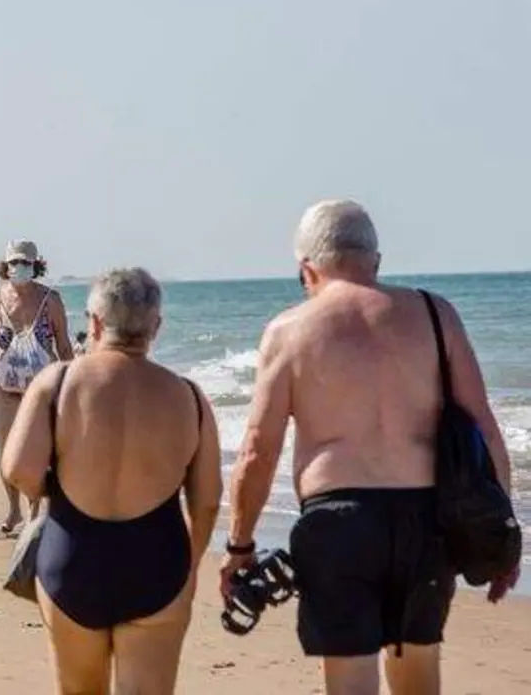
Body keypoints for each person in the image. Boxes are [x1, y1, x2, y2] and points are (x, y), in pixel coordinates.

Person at [222, 200, 518, 695]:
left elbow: (258, 449)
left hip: (337, 524)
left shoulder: (289, 331)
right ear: (375, 261)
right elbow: (485, 430)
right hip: (425, 522)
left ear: (306, 270)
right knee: (418, 673)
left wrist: (240, 545)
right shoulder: (435, 314)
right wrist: (502, 537)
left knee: (351, 682)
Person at [1, 268, 221, 694]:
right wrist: (190, 564)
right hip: (158, 563)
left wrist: (58, 486)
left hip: (73, 558)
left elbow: (18, 468)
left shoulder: (59, 382)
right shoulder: (188, 395)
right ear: (155, 326)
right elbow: (208, 499)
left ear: (95, 322)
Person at [0, 240, 74, 535]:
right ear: (5, 266)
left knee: (37, 446)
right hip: (0, 383)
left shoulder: (50, 300)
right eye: (14, 263)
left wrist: (75, 384)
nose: (19, 268)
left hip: (42, 385)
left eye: (26, 263)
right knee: (8, 448)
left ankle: (33, 510)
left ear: (36, 266)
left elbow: (64, 345)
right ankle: (13, 509)